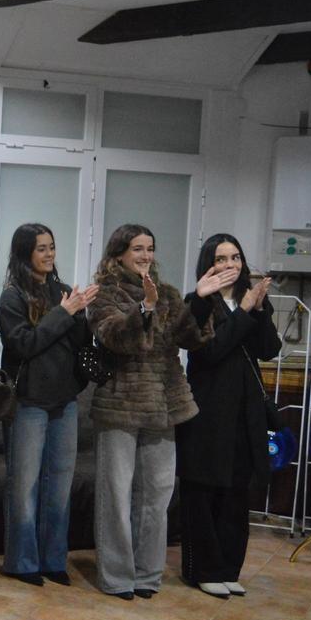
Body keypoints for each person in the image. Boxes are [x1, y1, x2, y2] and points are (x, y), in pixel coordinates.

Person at [86, 223, 228, 600]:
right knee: (116, 495)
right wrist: (144, 308)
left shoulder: (167, 293)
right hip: (120, 404)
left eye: (149, 248)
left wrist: (201, 301)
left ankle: (147, 575)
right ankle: (117, 576)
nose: (145, 255)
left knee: (157, 495)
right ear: (119, 254)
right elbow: (116, 338)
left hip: (164, 404)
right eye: (137, 249)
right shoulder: (104, 294)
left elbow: (192, 338)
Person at [176, 234, 278, 598]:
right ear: (209, 264)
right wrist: (244, 313)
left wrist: (258, 310)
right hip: (208, 410)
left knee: (237, 492)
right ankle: (203, 569)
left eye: (235, 257)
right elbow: (210, 352)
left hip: (246, 411)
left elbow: (269, 349)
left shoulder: (251, 297)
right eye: (221, 258)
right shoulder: (198, 302)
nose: (230, 264)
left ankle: (228, 568)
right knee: (204, 491)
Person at [0, 223, 96, 586]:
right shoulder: (12, 297)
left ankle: (54, 560)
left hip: (64, 400)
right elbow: (25, 344)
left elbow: (79, 344)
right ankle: (22, 562)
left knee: (60, 484)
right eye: (41, 248)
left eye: (52, 247)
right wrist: (64, 313)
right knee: (24, 484)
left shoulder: (64, 291)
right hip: (28, 401)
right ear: (25, 254)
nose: (49, 254)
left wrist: (81, 313)